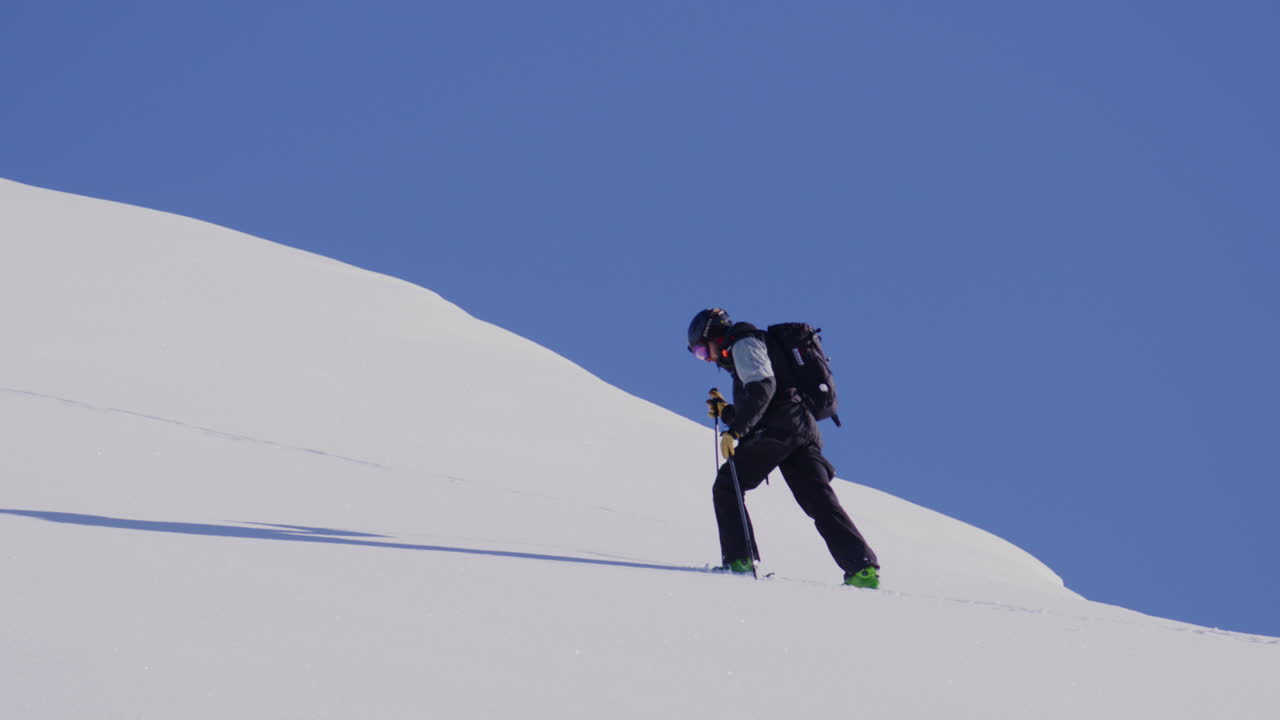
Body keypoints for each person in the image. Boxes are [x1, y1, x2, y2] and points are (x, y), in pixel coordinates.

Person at [686, 307, 880, 588]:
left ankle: (740, 561)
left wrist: (735, 429)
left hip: (780, 430)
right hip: (800, 428)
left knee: (728, 484)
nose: (706, 359)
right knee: (820, 501)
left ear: (714, 336)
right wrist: (728, 412)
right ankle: (862, 569)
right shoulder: (753, 346)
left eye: (703, 351)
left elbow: (763, 388)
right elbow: (765, 400)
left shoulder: (743, 343)